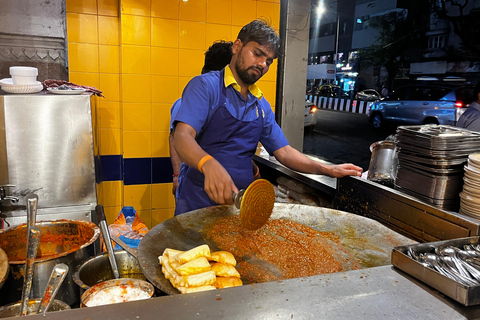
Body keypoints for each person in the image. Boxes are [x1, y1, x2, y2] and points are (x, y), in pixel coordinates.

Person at [172, 19, 362, 216]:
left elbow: (285, 152)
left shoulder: (260, 104)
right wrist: (208, 164)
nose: (262, 64)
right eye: (258, 54)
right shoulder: (205, 87)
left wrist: (327, 169)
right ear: (237, 47)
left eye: (269, 61)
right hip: (197, 203)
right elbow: (182, 136)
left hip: (238, 207)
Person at [169, 41, 261, 196]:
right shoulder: (190, 100)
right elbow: (176, 139)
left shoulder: (237, 102)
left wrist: (252, 169)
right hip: (195, 184)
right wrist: (177, 175)